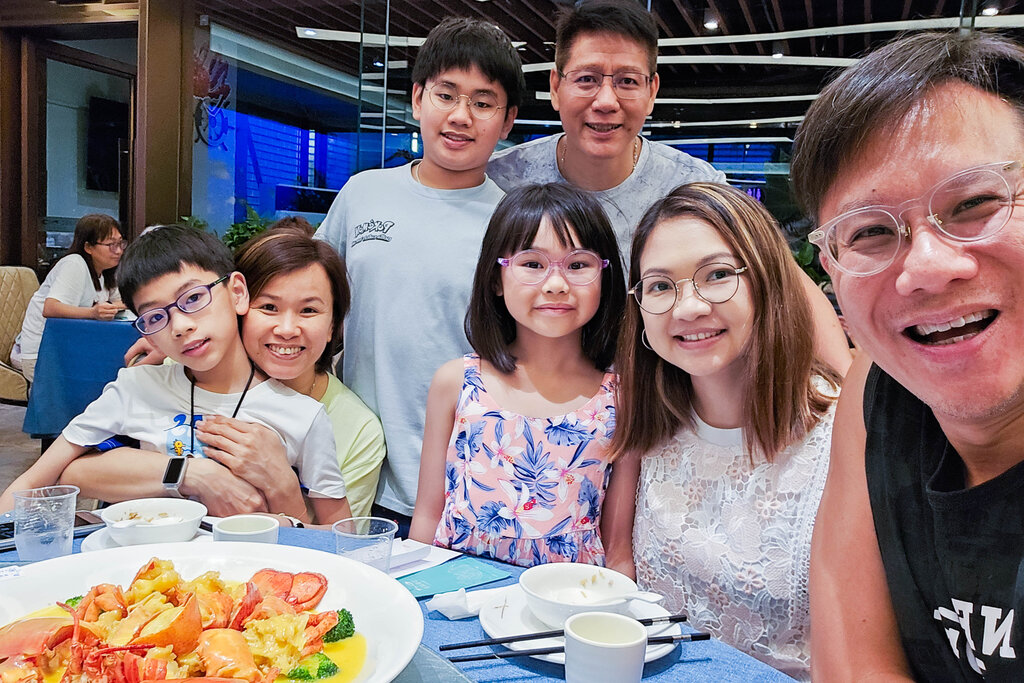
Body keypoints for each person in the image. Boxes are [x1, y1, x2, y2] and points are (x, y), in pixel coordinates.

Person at [791, 31, 1024, 680]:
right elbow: (850, 664)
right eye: (869, 232)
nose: (926, 266)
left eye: (974, 203)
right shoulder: (878, 388)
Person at [486, 0, 852, 377]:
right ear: (555, 86)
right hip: (525, 391)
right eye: (586, 79)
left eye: (628, 81)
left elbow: (784, 281)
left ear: (652, 91)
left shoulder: (693, 184)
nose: (606, 101)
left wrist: (844, 388)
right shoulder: (502, 179)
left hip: (663, 399)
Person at [604, 183, 840, 679]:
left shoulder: (843, 437)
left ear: (768, 281)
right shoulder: (650, 423)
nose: (687, 308)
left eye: (717, 275)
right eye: (660, 286)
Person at [315, 17, 525, 526]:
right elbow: (302, 296)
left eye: (483, 103)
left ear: (507, 121)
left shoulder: (513, 224)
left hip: (465, 484)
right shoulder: (363, 193)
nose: (460, 116)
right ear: (417, 98)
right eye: (446, 95)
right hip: (354, 470)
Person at [0, 225, 352, 525]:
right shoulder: (137, 387)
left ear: (237, 293)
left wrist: (286, 520)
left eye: (194, 298)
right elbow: (39, 478)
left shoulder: (304, 416)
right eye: (155, 317)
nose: (180, 326)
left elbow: (340, 535)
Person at [409, 183, 625, 567]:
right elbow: (427, 517)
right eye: (532, 264)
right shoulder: (456, 382)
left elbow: (619, 548)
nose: (556, 284)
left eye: (578, 265)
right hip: (457, 596)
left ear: (604, 277)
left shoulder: (620, 400)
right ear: (496, 278)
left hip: (571, 596)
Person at [121, 218, 387, 520]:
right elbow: (86, 467)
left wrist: (283, 485)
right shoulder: (182, 375)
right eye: (269, 307)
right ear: (238, 301)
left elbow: (342, 540)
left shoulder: (357, 430)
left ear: (333, 327)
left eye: (309, 310)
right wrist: (194, 473)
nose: (287, 330)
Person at [12, 213, 127, 381]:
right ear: (88, 247)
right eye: (111, 244)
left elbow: (123, 301)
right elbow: (51, 308)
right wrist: (93, 312)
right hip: (42, 353)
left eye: (120, 243)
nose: (118, 250)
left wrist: (111, 307)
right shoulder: (74, 263)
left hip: (70, 348)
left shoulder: (106, 272)